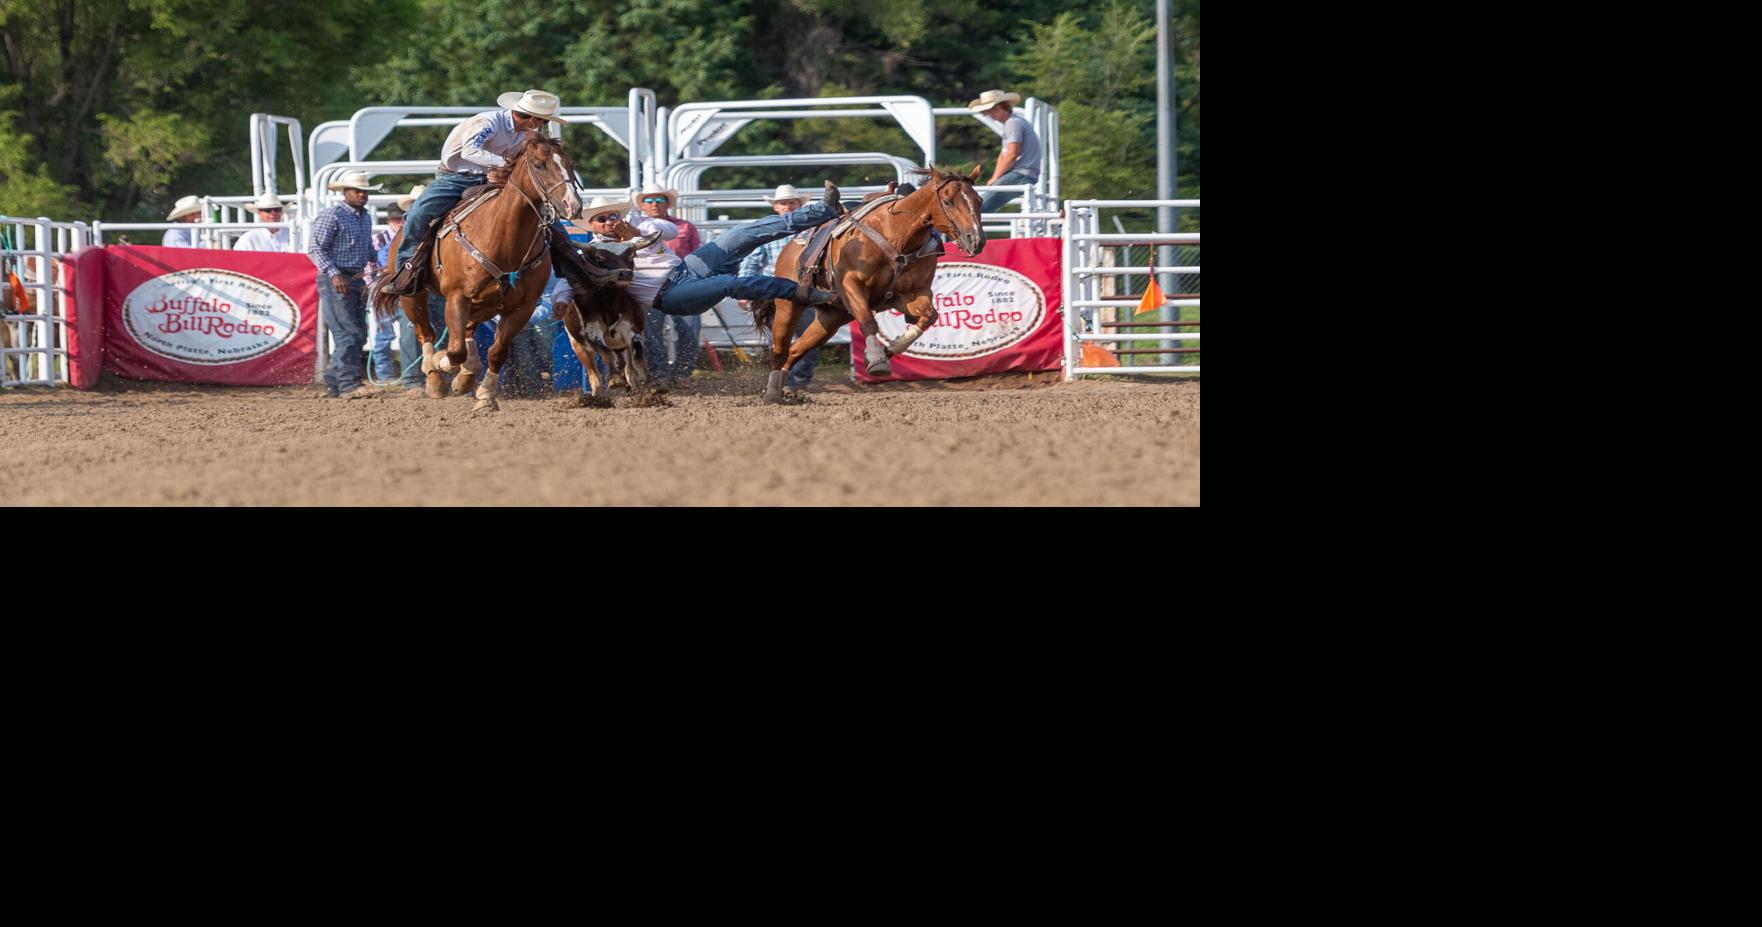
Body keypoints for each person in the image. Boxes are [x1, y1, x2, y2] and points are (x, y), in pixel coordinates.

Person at [547, 183, 846, 388]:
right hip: (671, 295)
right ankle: (803, 293)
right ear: (594, 226)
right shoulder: (597, 252)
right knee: (730, 283)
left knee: (742, 233)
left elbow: (666, 229)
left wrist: (636, 230)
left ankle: (823, 211)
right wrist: (560, 298)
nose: (610, 222)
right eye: (602, 219)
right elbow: (569, 278)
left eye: (613, 216)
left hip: (686, 269)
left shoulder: (641, 226)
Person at [382, 89, 570, 295]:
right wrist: (506, 164)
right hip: (456, 178)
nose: (542, 126)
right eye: (543, 121)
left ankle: (573, 265)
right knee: (419, 213)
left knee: (543, 214)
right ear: (534, 119)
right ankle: (404, 269)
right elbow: (469, 151)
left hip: (499, 179)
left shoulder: (527, 134)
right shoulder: (487, 122)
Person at [308, 170, 387, 399]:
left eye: (364, 191)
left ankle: (334, 382)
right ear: (345, 192)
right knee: (348, 332)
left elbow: (365, 248)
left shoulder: (364, 217)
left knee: (357, 333)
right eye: (357, 191)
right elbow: (315, 249)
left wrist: (376, 260)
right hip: (337, 278)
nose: (362, 195)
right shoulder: (332, 215)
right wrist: (334, 274)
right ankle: (348, 384)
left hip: (355, 277)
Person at [739, 184, 819, 390]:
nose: (788, 206)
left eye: (791, 202)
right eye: (783, 203)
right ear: (776, 207)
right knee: (780, 338)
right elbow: (751, 261)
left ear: (799, 205)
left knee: (810, 336)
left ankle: (799, 378)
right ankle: (787, 380)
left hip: (804, 288)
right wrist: (744, 290)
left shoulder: (814, 229)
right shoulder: (767, 230)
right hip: (774, 290)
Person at [633, 183, 701, 389]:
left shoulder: (685, 227)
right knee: (651, 332)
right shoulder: (634, 229)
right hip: (650, 285)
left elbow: (697, 255)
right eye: (650, 200)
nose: (655, 204)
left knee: (689, 329)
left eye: (660, 200)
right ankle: (659, 372)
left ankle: (683, 371)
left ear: (667, 203)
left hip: (683, 284)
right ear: (643, 205)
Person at [967, 89, 1042, 214]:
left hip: (1021, 174)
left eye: (993, 110)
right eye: (986, 111)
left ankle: (954, 233)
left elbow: (1012, 155)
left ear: (1003, 107)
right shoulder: (1014, 123)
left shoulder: (1013, 124)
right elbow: (1004, 155)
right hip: (1023, 174)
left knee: (979, 209)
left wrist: (995, 177)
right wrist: (995, 178)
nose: (989, 114)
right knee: (980, 207)